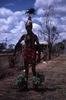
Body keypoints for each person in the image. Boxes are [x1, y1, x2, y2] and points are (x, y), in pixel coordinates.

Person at [13, 16, 40, 89]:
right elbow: (18, 43)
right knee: (26, 69)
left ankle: (35, 84)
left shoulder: (34, 36)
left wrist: (39, 56)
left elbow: (39, 46)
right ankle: (25, 84)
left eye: (29, 27)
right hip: (26, 53)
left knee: (33, 69)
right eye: (27, 27)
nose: (28, 28)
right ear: (25, 27)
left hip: (32, 53)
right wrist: (14, 52)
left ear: (31, 27)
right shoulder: (24, 36)